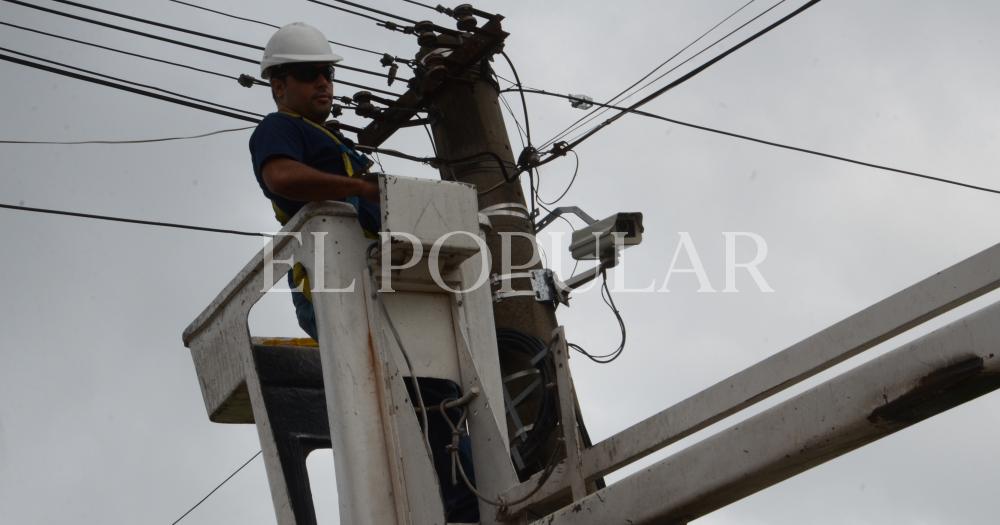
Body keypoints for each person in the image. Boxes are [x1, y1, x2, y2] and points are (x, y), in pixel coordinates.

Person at [248, 22, 479, 522]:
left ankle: (457, 508)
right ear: (279, 85)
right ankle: (451, 510)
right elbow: (280, 176)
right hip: (333, 289)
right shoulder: (279, 129)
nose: (323, 84)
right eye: (309, 75)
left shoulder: (338, 142)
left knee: (436, 396)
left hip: (376, 284)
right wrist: (360, 189)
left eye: (327, 74)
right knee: (410, 399)